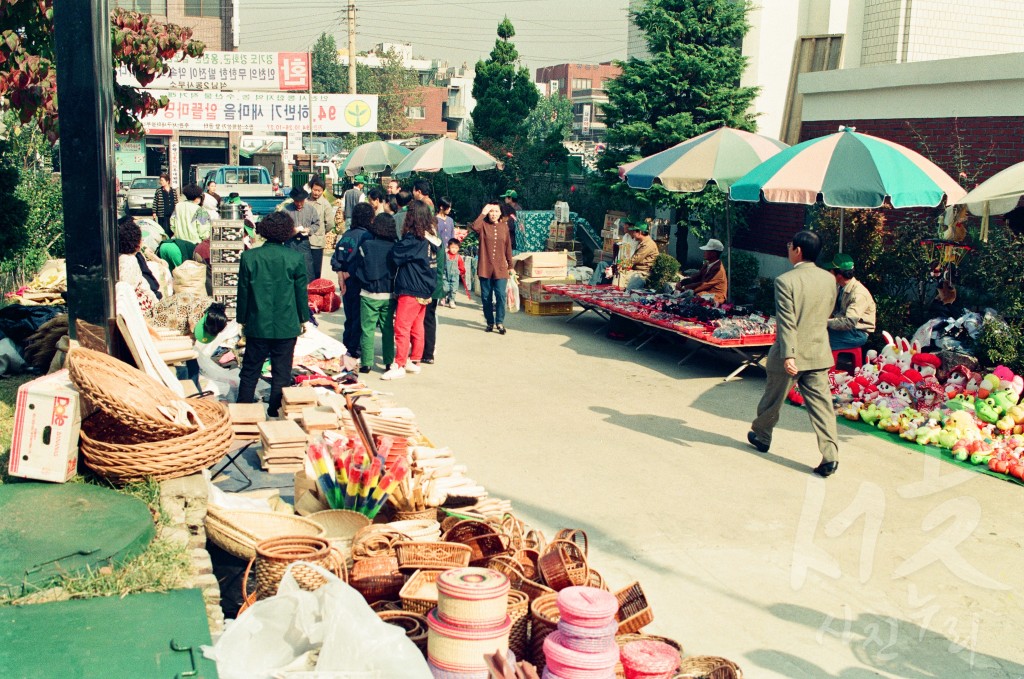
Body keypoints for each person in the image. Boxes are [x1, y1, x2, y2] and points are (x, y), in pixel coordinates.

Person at [747, 230, 840, 478]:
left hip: (791, 352)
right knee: (822, 407)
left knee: (773, 398)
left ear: (798, 250)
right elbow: (827, 312)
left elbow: (787, 322)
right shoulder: (829, 279)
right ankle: (830, 456)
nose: (788, 249)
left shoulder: (785, 280)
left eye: (790, 245)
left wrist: (789, 355)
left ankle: (762, 435)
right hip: (819, 350)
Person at [236, 212, 310, 417]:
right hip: (286, 325)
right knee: (282, 372)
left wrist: (241, 319)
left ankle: (243, 411)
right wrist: (304, 318)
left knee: (250, 370)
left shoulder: (249, 257)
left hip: (257, 323)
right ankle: (275, 411)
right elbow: (300, 293)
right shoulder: (295, 258)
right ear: (287, 232)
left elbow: (243, 292)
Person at [384, 200, 436, 380]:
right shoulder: (432, 238)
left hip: (411, 287)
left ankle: (399, 364)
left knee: (401, 327)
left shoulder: (414, 239)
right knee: (417, 326)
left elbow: (395, 254)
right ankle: (414, 361)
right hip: (426, 287)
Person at [353, 213, 398, 374]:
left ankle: (366, 363)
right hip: (389, 294)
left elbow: (358, 269)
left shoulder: (366, 246)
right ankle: (388, 361)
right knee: (387, 329)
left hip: (368, 294)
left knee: (367, 329)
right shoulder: (395, 247)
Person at [332, 203, 375, 360]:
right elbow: (363, 260)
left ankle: (346, 343)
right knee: (358, 316)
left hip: (346, 282)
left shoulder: (347, 235)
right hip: (358, 281)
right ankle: (354, 348)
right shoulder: (367, 237)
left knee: (349, 314)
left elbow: (336, 257)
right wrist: (348, 272)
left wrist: (340, 272)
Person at [469, 201, 514, 334]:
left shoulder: (504, 227)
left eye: (496, 211)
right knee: (486, 297)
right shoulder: (483, 225)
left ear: (500, 213)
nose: (493, 214)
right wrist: (483, 212)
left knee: (500, 295)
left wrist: (510, 266)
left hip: (500, 267)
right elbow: (474, 226)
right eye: (491, 211)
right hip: (485, 266)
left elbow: (508, 248)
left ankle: (499, 322)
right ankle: (489, 322)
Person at [826, 253, 876, 350]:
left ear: (839, 275)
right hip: (845, 329)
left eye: (830, 270)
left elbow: (849, 322)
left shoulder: (858, 294)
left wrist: (824, 322)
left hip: (857, 333)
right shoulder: (840, 287)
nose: (829, 273)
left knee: (818, 340)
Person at [118, 215, 162, 311]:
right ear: (136, 243)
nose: (142, 241)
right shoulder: (130, 261)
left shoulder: (123, 258)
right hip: (143, 308)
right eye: (141, 239)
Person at [280, 186, 320, 283]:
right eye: (296, 201)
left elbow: (317, 223)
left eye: (301, 201)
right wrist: (292, 230)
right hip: (290, 243)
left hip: (304, 242)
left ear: (304, 199)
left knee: (308, 271)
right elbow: (281, 227)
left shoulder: (311, 209)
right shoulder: (286, 210)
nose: (299, 203)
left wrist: (309, 230)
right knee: (289, 269)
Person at [676, 238, 728, 303]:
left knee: (698, 296)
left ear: (713, 254)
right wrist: (682, 283)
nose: (704, 252)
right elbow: (697, 277)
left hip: (716, 295)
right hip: (705, 291)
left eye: (707, 251)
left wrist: (685, 288)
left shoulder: (719, 269)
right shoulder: (707, 264)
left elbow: (705, 284)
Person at [614, 219, 658, 290]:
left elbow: (634, 259)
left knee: (621, 271)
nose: (633, 233)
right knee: (620, 272)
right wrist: (619, 265)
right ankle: (615, 292)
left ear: (639, 232)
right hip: (635, 270)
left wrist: (620, 265)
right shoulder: (642, 242)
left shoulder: (648, 244)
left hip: (642, 273)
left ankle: (619, 293)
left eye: (634, 231)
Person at [306, 176, 335, 280]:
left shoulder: (325, 204)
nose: (316, 193)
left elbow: (330, 223)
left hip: (317, 243)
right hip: (304, 242)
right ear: (311, 188)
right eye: (314, 190)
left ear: (323, 191)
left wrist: (321, 232)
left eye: (319, 191)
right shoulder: (305, 201)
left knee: (315, 271)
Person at [441, 238, 470, 308]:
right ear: (448, 247)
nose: (454, 249)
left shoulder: (459, 257)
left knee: (453, 289)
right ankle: (443, 297)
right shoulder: (445, 255)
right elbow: (441, 264)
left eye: (456, 248)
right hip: (445, 275)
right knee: (445, 288)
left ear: (458, 248)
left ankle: (452, 300)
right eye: (452, 247)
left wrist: (462, 272)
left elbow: (461, 266)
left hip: (455, 276)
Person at [152, 173, 178, 238]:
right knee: (163, 230)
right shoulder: (159, 191)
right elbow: (155, 201)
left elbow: (176, 202)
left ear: (167, 181)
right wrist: (154, 212)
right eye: (160, 180)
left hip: (172, 214)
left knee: (171, 229)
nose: (161, 182)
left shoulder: (173, 191)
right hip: (162, 214)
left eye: (162, 180)